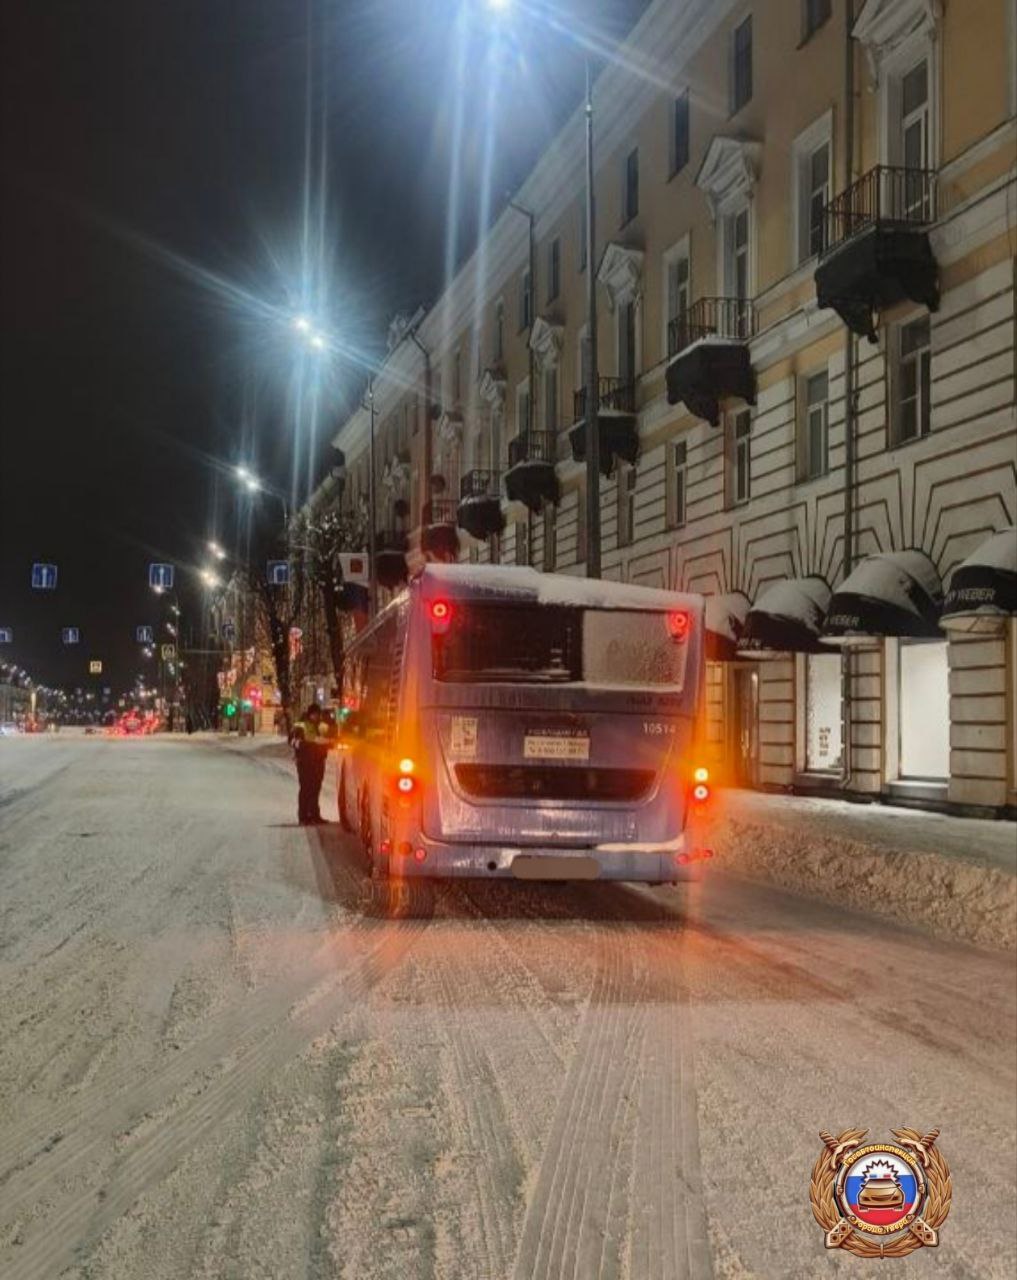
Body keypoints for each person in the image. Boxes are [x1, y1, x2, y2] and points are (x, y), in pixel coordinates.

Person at [289, 703, 326, 825]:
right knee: (306, 789)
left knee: (315, 789)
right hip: (305, 762)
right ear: (310, 714)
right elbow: (292, 740)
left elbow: (323, 740)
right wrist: (304, 745)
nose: (317, 717)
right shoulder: (301, 725)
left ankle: (315, 815)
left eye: (318, 715)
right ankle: (303, 817)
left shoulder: (320, 726)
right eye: (315, 714)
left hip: (318, 762)